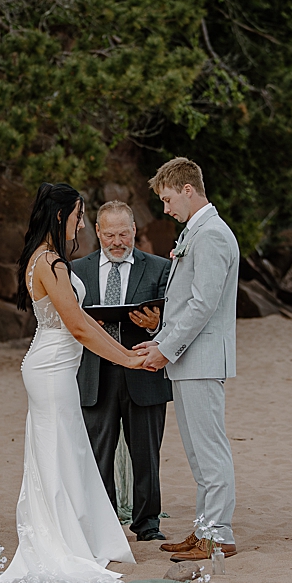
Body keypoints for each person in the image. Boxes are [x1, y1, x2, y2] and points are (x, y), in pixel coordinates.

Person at [0, 183, 148, 583]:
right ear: (63, 215)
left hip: (49, 363)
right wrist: (128, 357)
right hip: (52, 369)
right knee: (58, 451)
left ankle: (77, 534)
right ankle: (63, 541)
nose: (81, 222)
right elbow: (79, 326)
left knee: (65, 449)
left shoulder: (38, 259)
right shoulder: (53, 264)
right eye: (79, 215)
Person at [133, 158, 241, 563]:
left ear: (188, 190)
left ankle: (218, 535)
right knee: (198, 450)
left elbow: (202, 304)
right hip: (190, 358)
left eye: (167, 198)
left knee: (210, 448)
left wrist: (164, 348)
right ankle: (205, 529)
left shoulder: (211, 234)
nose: (165, 208)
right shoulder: (196, 232)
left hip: (203, 357)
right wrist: (160, 339)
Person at [71, 200, 172, 543]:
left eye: (124, 234)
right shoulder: (76, 270)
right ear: (97, 231)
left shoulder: (158, 268)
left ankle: (147, 524)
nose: (117, 242)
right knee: (99, 452)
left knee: (146, 452)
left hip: (143, 369)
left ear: (134, 231)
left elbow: (175, 319)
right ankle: (105, 522)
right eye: (110, 234)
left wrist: (157, 325)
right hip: (95, 374)